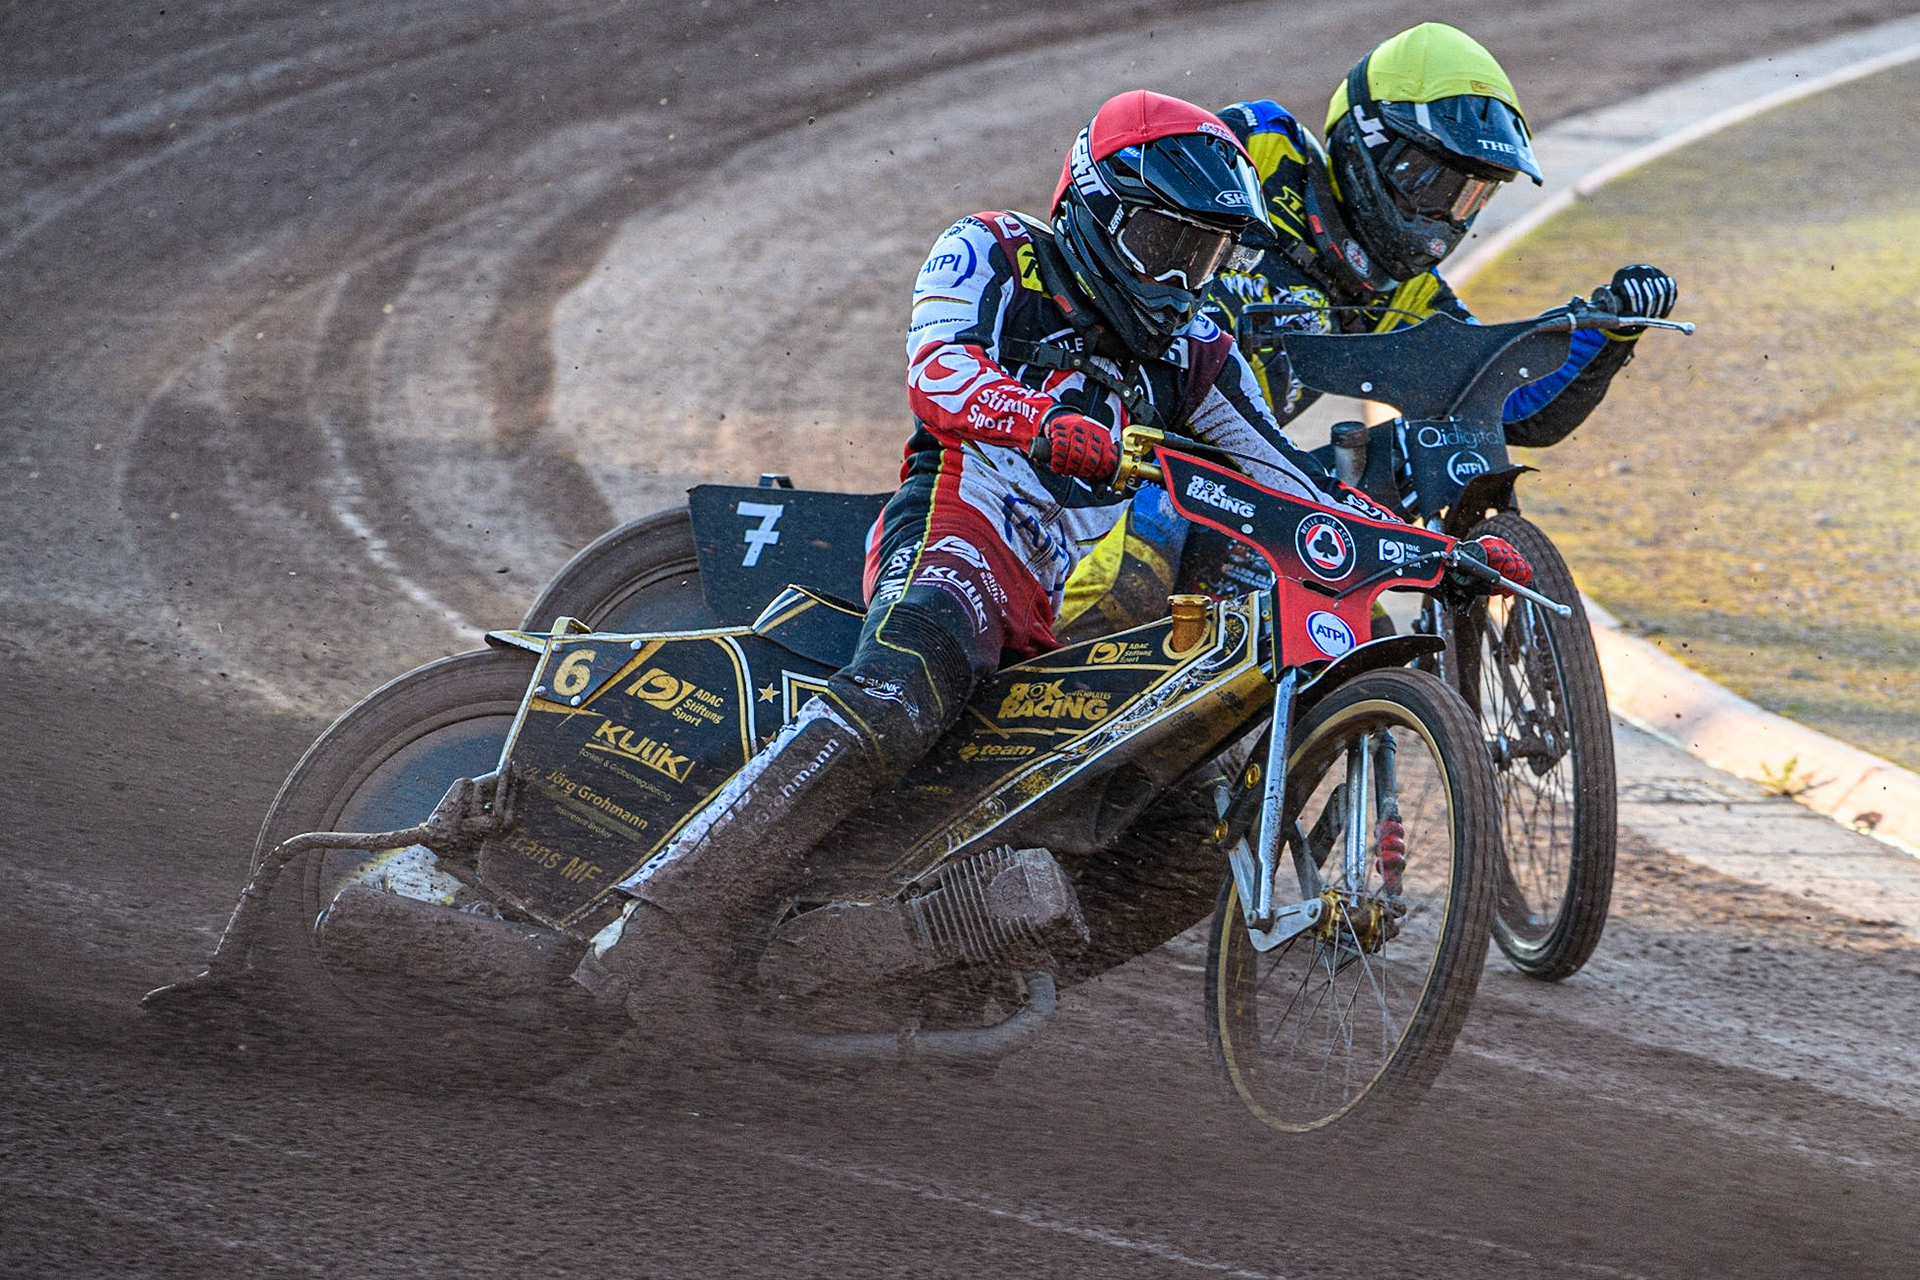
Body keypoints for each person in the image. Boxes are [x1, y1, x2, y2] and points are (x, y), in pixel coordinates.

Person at [585, 90, 1529, 1035]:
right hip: (958, 529)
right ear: (1093, 207)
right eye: (1165, 245)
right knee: (902, 694)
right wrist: (1043, 421)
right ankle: (656, 921)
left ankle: (943, 973)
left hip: (1070, 607)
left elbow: (1290, 482)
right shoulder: (995, 250)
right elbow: (937, 369)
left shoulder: (1198, 350)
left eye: (1206, 256)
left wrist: (1437, 554)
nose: (1182, 279)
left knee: (1194, 838)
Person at [1202, 22, 1678, 452]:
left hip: (1216, 480)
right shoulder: (1264, 148)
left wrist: (1609, 330)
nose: (1446, 215)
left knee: (1409, 461)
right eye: (1437, 184)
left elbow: (1510, 408)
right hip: (1154, 434)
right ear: (1371, 141)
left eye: (1471, 195)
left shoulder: (1408, 296)